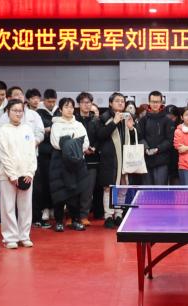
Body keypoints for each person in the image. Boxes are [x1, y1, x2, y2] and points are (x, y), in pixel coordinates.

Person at [0, 99, 39, 249]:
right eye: (14, 110)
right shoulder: (3, 130)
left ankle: (24, 236)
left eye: (20, 111)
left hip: (26, 174)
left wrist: (30, 172)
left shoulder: (27, 129)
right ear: (8, 112)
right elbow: (4, 154)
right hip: (8, 175)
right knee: (8, 207)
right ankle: (10, 237)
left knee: (26, 207)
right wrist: (12, 175)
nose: (18, 113)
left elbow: (32, 153)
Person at [49, 97, 90, 228]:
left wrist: (67, 142)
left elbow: (85, 143)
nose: (69, 109)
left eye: (71, 107)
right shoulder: (56, 125)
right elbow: (56, 143)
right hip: (59, 162)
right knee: (59, 192)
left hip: (76, 163)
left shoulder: (79, 125)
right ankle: (59, 222)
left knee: (75, 193)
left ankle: (75, 220)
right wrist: (74, 143)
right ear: (60, 109)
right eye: (66, 107)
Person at [94, 92, 133, 226]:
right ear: (110, 103)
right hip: (109, 159)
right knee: (109, 188)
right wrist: (114, 122)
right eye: (117, 101)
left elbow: (135, 136)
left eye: (122, 101)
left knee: (122, 187)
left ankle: (118, 214)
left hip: (124, 158)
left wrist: (131, 129)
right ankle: (108, 216)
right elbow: (100, 135)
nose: (121, 103)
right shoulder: (103, 117)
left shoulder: (127, 117)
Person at [28, 88, 54, 229]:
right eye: (33, 98)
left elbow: (40, 132)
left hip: (48, 154)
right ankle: (35, 216)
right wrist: (48, 129)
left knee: (45, 185)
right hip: (35, 155)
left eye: (37, 98)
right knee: (37, 188)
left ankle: (43, 213)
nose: (35, 100)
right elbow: (41, 130)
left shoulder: (54, 112)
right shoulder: (35, 113)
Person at [139, 90, 175, 186]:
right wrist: (146, 148)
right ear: (149, 102)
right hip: (146, 160)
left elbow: (170, 140)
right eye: (153, 102)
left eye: (157, 102)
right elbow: (140, 137)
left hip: (162, 160)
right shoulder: (143, 119)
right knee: (147, 190)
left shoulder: (168, 120)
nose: (155, 104)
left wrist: (158, 149)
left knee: (160, 190)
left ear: (161, 103)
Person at [76, 92, 101, 223]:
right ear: (79, 104)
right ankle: (72, 216)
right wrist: (82, 149)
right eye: (83, 102)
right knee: (75, 188)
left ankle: (83, 216)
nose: (86, 105)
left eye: (89, 102)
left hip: (92, 159)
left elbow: (100, 137)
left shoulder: (96, 120)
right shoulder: (74, 120)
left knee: (88, 189)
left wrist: (94, 148)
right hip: (77, 158)